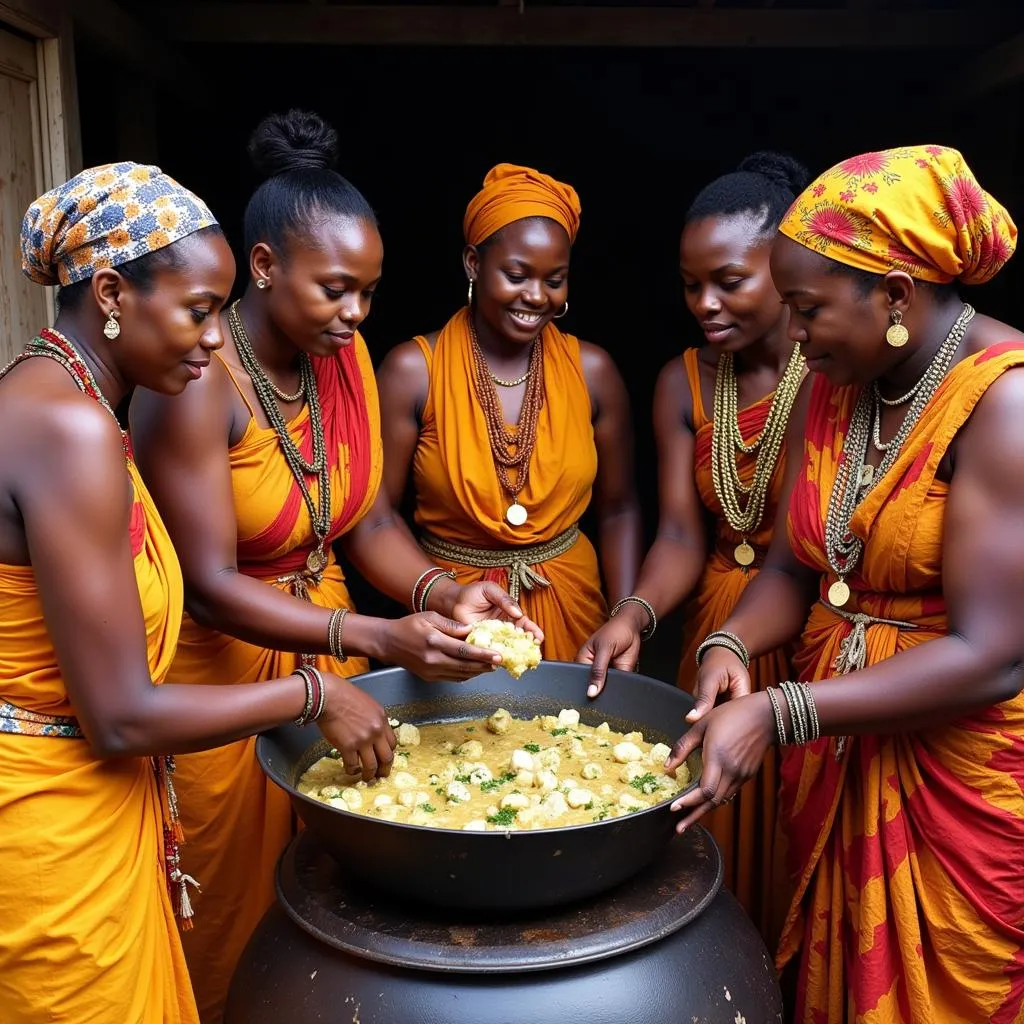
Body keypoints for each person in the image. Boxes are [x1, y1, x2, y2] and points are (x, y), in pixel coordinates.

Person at [130, 113, 536, 1024]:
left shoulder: (343, 359)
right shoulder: (195, 382)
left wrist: (439, 591)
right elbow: (207, 583)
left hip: (335, 663)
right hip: (226, 683)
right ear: (265, 267)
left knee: (341, 893)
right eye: (337, 291)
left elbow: (364, 521)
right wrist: (375, 633)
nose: (357, 315)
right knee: (234, 907)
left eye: (369, 292)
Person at [0, 162, 399, 1022]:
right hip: (50, 818)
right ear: (111, 292)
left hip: (86, 803)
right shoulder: (67, 427)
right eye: (199, 310)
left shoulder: (74, 401)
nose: (217, 339)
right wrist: (313, 691)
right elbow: (119, 717)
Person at [669, 145, 1024, 1023]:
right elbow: (796, 563)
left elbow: (993, 656)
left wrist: (785, 711)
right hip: (842, 743)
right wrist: (729, 643)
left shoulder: (1002, 403)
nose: (793, 334)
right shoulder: (841, 382)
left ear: (895, 295)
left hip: (956, 773)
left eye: (808, 309)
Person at [576, 152, 808, 939]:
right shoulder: (683, 381)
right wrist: (634, 613)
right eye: (689, 283)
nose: (704, 303)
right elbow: (680, 531)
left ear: (786, 266)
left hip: (806, 636)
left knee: (797, 844)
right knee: (703, 836)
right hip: (713, 639)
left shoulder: (836, 373)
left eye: (730, 281)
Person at [377, 163, 641, 662]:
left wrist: (625, 614)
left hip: (575, 612)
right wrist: (437, 592)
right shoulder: (414, 371)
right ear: (473, 263)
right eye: (517, 275)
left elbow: (621, 507)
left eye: (555, 279)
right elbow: (374, 518)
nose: (536, 296)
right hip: (452, 621)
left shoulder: (593, 371)